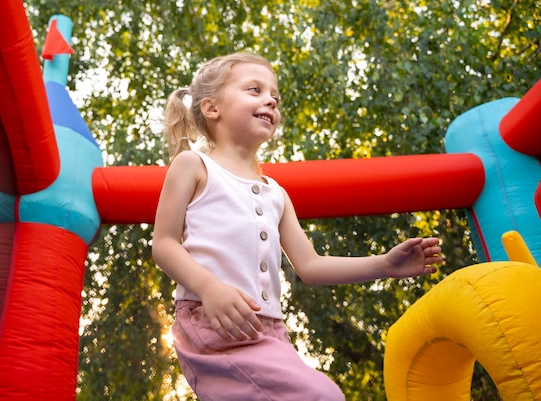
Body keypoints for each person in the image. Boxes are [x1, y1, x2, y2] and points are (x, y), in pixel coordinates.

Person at [151, 52, 443, 401]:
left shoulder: (276, 193)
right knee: (322, 396)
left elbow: (311, 265)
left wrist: (384, 264)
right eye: (255, 90)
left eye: (275, 96)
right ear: (213, 108)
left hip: (271, 332)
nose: (271, 100)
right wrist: (209, 287)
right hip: (214, 323)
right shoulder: (193, 166)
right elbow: (164, 244)